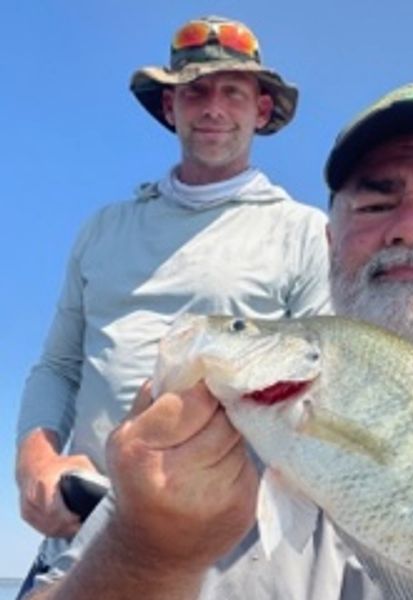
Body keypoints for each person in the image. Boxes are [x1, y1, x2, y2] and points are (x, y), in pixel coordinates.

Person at [23, 83, 413, 599]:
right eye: (375, 204)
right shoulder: (198, 454)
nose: (410, 226)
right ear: (328, 248)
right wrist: (146, 554)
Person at [14, 14, 331, 598]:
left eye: (233, 92)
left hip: (228, 559)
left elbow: (317, 397)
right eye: (195, 92)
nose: (213, 107)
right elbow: (58, 367)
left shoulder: (306, 233)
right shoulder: (102, 230)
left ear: (260, 111)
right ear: (170, 109)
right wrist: (34, 462)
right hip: (84, 541)